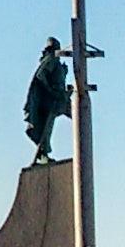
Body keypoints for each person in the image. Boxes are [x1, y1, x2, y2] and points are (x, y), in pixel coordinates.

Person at [24, 37, 72, 165]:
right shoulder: (52, 59)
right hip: (52, 99)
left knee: (50, 126)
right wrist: (50, 90)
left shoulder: (54, 61)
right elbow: (41, 75)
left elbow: (54, 77)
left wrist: (63, 73)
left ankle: (43, 153)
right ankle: (43, 153)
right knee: (46, 127)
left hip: (58, 97)